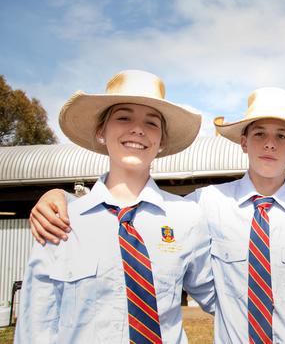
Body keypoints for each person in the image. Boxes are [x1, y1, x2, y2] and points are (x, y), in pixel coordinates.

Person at [28, 87, 285, 343]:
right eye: (259, 133)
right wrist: (61, 197)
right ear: (243, 141)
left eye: (281, 135)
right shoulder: (203, 204)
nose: (269, 143)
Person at [15, 70, 216, 343]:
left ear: (162, 141)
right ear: (101, 131)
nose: (138, 129)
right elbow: (36, 325)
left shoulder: (188, 218)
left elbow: (224, 299)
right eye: (123, 117)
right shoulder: (60, 220)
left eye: (152, 122)